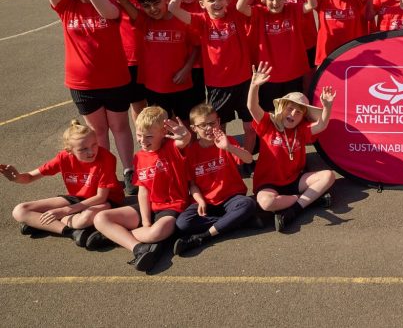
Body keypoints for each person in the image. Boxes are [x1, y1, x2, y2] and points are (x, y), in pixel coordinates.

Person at [26, 0, 137, 195]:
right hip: (82, 82)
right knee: (98, 133)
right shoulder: (65, 6)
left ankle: (129, 172)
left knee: (120, 127)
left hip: (115, 78)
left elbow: (107, 11)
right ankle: (106, 177)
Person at [168, 0, 257, 156]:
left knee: (251, 128)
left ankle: (247, 162)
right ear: (202, 4)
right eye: (211, 0)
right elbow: (173, 7)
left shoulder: (234, 12)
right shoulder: (201, 21)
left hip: (244, 82)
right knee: (219, 130)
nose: (216, 3)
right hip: (218, 86)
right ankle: (224, 161)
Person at [91, 107, 191, 272]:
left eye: (149, 136)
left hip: (172, 206)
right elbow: (143, 191)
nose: (143, 140)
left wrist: (184, 134)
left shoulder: (172, 147)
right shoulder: (139, 157)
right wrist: (145, 222)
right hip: (150, 206)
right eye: (139, 135)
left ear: (164, 132)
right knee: (100, 218)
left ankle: (114, 236)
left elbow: (184, 140)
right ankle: (137, 248)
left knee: (155, 233)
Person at [1, 120, 125, 247]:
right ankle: (71, 232)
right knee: (20, 211)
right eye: (83, 149)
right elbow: (30, 177)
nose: (91, 151)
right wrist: (17, 178)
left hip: (107, 200)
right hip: (77, 198)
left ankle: (43, 223)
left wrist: (64, 211)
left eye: (94, 145)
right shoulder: (63, 158)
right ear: (69, 150)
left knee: (82, 220)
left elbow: (101, 197)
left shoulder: (106, 158)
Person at [247, 62, 336, 233]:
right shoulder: (268, 123)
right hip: (269, 184)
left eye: (298, 112)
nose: (293, 114)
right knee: (266, 203)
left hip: (295, 180)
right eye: (290, 109)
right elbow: (252, 107)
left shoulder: (301, 130)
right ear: (281, 108)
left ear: (303, 116)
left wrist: (327, 107)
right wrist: (254, 86)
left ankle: (296, 209)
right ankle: (308, 200)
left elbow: (322, 124)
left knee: (328, 176)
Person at [173, 104, 258, 256]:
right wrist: (200, 201)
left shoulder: (228, 141)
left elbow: (248, 159)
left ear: (219, 122)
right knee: (182, 223)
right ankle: (235, 221)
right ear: (194, 128)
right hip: (207, 202)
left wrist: (229, 147)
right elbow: (192, 185)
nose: (208, 128)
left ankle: (203, 237)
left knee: (248, 204)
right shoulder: (191, 151)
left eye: (212, 123)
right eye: (203, 125)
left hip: (231, 198)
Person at [236, 0, 317, 112]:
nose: (275, 2)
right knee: (270, 112)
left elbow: (312, 4)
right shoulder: (259, 12)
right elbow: (240, 6)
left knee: (292, 111)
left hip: (293, 72)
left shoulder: (292, 9)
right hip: (268, 75)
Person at [116, 0, 200, 120]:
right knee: (162, 126)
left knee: (187, 123)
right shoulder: (143, 21)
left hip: (182, 84)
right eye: (146, 6)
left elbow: (197, 46)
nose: (153, 9)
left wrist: (187, 69)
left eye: (156, 3)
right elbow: (123, 0)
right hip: (155, 87)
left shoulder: (182, 18)